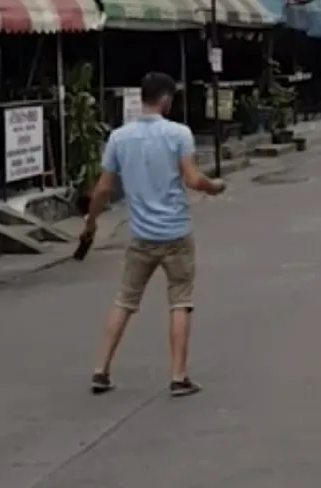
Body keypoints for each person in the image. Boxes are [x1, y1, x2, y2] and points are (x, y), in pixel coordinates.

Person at [82, 72, 226, 398]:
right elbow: (192, 179)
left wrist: (91, 223)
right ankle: (178, 376)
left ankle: (100, 369)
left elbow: (103, 188)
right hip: (175, 233)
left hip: (140, 236)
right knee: (180, 302)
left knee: (124, 300)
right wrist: (214, 187)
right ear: (165, 99)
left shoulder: (119, 138)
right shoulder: (178, 134)